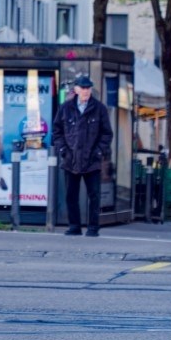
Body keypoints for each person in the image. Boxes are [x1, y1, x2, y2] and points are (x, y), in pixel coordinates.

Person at [52, 75, 112, 237]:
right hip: (70, 159)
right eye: (83, 88)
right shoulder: (66, 108)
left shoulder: (99, 108)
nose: (86, 91)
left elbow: (107, 134)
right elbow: (57, 131)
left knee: (94, 195)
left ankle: (93, 228)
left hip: (92, 160)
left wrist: (99, 152)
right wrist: (63, 150)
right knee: (71, 195)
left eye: (88, 88)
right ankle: (74, 226)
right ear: (76, 89)